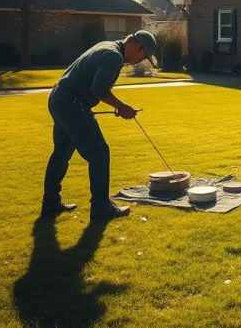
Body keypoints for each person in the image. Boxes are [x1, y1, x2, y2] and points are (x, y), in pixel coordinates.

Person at [41, 30, 159, 219]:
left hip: (59, 99)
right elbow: (98, 89)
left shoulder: (107, 46)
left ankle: (50, 203)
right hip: (72, 104)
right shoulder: (113, 56)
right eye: (144, 56)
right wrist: (122, 107)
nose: (140, 61)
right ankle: (101, 206)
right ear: (137, 47)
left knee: (61, 153)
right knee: (99, 153)